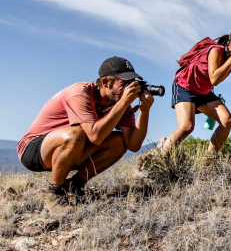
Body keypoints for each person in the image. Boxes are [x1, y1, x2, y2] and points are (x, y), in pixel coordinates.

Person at [18, 56, 153, 215]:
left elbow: (133, 145)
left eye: (130, 83)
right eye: (122, 84)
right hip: (34, 149)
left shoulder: (120, 102)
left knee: (119, 141)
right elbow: (94, 136)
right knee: (76, 134)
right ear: (105, 83)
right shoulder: (80, 93)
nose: (127, 89)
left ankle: (74, 186)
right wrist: (123, 103)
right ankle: (54, 194)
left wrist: (145, 110)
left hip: (72, 149)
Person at [161, 28, 231, 156]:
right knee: (187, 126)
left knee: (227, 120)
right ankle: (158, 156)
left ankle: (208, 161)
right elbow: (214, 79)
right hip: (185, 85)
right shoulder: (216, 51)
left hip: (203, 91)